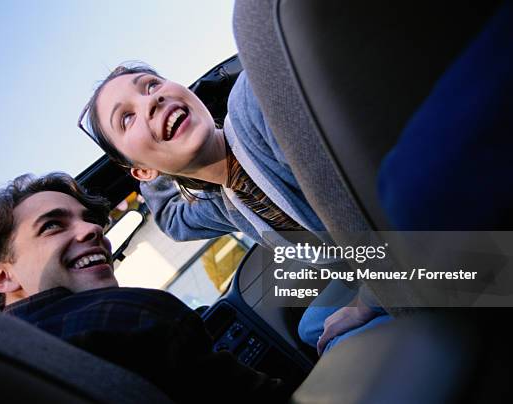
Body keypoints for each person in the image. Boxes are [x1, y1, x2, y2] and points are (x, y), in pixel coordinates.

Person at [78, 64, 390, 355]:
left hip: (415, 257)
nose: (152, 100)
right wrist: (151, 167)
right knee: (311, 330)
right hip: (380, 273)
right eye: (127, 118)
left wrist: (365, 303)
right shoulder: (227, 203)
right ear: (141, 172)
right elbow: (174, 222)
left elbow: (388, 220)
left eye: (151, 85)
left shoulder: (253, 105)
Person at [0, 172, 285, 403]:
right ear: (2, 278)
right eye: (52, 226)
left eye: (90, 219)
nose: (92, 230)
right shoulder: (133, 318)